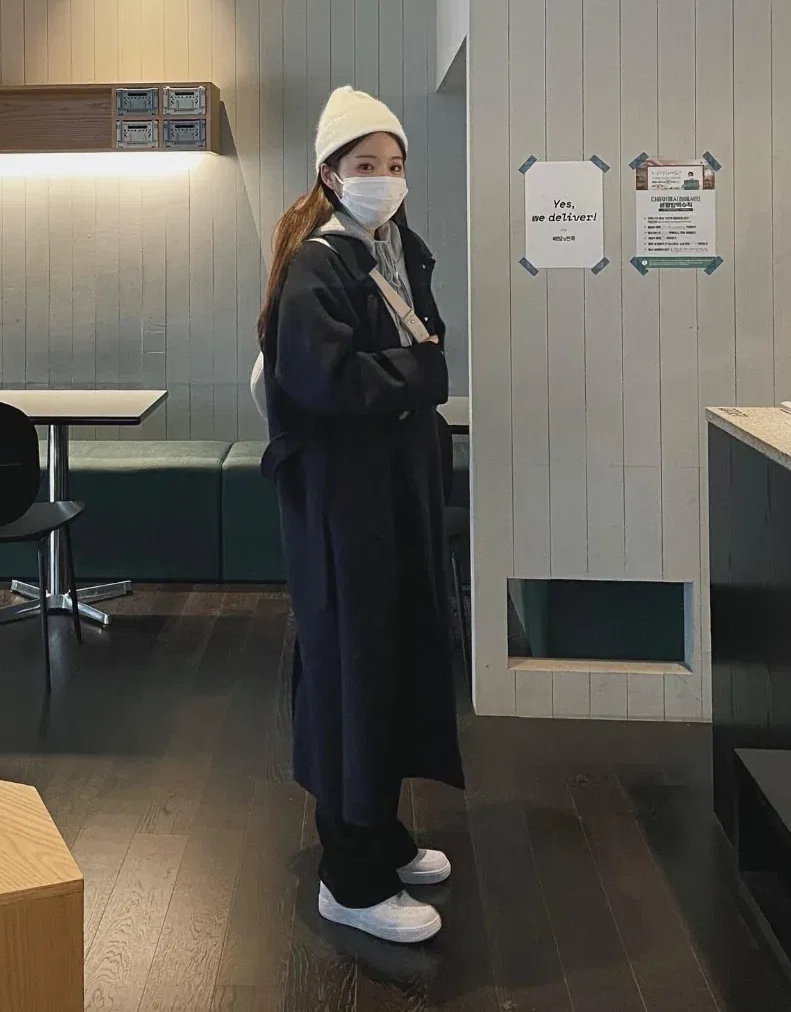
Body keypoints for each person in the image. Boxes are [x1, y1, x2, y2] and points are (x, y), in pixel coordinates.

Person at [254, 86, 465, 945]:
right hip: (344, 503)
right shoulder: (320, 263)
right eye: (366, 164)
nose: (384, 177)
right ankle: (349, 873)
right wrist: (420, 375)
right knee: (353, 664)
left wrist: (417, 371)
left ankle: (381, 828)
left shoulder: (394, 249)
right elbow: (326, 379)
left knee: (396, 653)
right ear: (330, 174)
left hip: (391, 491)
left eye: (395, 163)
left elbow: (422, 343)